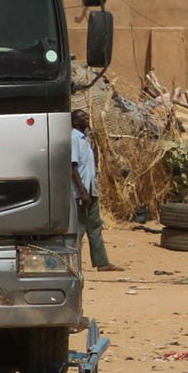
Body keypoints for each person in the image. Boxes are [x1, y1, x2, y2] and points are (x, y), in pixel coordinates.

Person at [70, 109, 121, 272]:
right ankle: (72, 264)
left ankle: (102, 262)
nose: (87, 118)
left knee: (95, 226)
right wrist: (82, 191)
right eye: (83, 117)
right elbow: (72, 167)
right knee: (78, 228)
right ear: (75, 122)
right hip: (80, 192)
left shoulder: (86, 139)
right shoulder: (73, 138)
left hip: (91, 190)